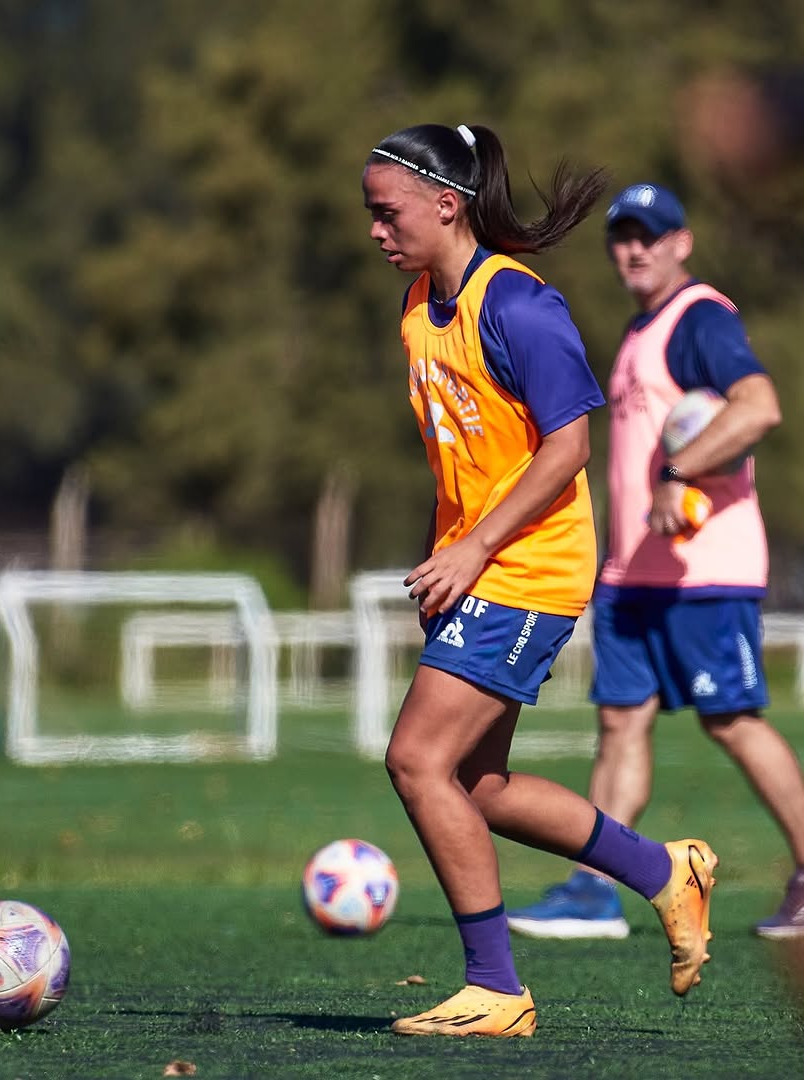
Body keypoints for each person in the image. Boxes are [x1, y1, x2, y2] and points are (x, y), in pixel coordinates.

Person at [363, 126, 718, 1040]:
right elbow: (467, 458)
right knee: (474, 783)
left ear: (447, 203)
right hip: (480, 566)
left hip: (529, 569)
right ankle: (662, 871)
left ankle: (497, 989)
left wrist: (475, 551)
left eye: (386, 211)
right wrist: (448, 557)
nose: (375, 230)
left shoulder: (518, 304)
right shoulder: (416, 306)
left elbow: (569, 447)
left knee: (415, 762)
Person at [507, 183, 804, 943]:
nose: (634, 249)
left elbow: (759, 406)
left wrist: (681, 475)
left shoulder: (700, 317)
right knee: (620, 724)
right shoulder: (643, 329)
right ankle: (594, 890)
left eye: (650, 235)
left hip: (703, 570)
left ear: (682, 242)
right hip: (634, 575)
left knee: (732, 720)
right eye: (622, 237)